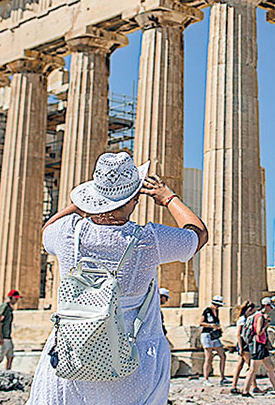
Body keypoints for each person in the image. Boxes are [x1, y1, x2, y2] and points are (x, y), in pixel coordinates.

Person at [26, 153, 207, 405]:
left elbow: (47, 228)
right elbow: (198, 235)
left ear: (94, 197)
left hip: (71, 355)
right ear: (135, 198)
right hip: (132, 361)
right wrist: (168, 198)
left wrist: (82, 205)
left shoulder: (66, 233)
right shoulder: (149, 240)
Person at [243, 297, 275, 398]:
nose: (271, 309)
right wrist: (266, 325)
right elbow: (259, 332)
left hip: (262, 345)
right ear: (266, 306)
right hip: (257, 345)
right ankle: (245, 391)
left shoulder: (257, 315)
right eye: (270, 307)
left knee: (270, 367)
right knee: (253, 370)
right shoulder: (259, 317)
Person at [0, 289, 20, 369]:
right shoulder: (4, 307)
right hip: (2, 337)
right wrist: (0, 336)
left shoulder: (9, 308)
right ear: (11, 297)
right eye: (15, 298)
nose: (17, 301)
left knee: (10, 356)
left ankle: (8, 372)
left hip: (7, 337)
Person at [231, 301, 258, 395]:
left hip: (244, 343)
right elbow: (239, 334)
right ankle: (254, 387)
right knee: (251, 366)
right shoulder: (242, 319)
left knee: (240, 366)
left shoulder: (246, 318)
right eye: (253, 311)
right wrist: (241, 347)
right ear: (249, 310)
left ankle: (233, 386)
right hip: (243, 344)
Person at [201, 295, 228, 385]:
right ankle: (206, 379)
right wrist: (210, 325)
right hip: (207, 335)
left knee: (222, 355)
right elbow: (200, 322)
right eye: (217, 305)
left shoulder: (217, 311)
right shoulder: (207, 311)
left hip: (214, 336)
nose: (218, 307)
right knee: (208, 357)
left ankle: (222, 377)